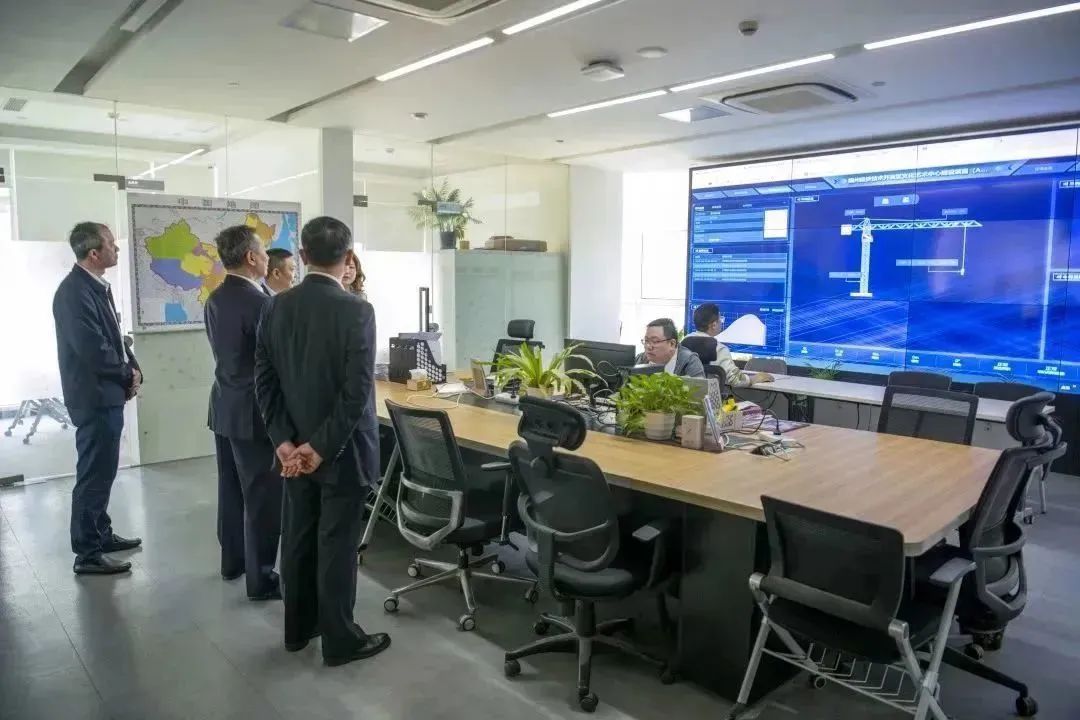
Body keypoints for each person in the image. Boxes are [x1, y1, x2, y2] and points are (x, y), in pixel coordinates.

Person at [255, 216, 390, 666]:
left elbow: (264, 381)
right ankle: (340, 640)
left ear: (303, 256)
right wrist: (320, 448)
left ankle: (298, 631)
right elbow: (356, 393)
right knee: (336, 546)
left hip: (293, 452)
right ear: (347, 257)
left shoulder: (275, 306)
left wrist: (284, 442)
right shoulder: (357, 310)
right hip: (342, 452)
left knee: (297, 537)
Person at [52, 222, 143, 575]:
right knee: (93, 474)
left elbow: (115, 339)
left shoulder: (94, 287)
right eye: (110, 244)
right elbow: (93, 349)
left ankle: (101, 535)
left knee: (103, 470)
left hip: (106, 393)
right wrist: (126, 374)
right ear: (94, 253)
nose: (116, 249)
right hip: (94, 397)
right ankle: (88, 553)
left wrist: (132, 368)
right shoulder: (73, 293)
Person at [204, 225, 283, 601]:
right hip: (254, 414)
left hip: (224, 406)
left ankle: (233, 563)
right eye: (264, 251)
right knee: (262, 499)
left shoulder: (215, 298)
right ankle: (262, 579)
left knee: (231, 491)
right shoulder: (262, 303)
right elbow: (274, 364)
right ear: (251, 257)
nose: (268, 257)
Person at [686, 303, 773, 386]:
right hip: (708, 395)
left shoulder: (685, 341)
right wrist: (755, 378)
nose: (721, 322)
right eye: (720, 319)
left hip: (685, 394)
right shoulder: (718, 348)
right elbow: (735, 379)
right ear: (714, 325)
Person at [634, 318, 705, 378]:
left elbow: (700, 389)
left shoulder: (689, 361)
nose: (648, 346)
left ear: (672, 344)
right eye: (646, 340)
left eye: (655, 341)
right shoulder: (640, 359)